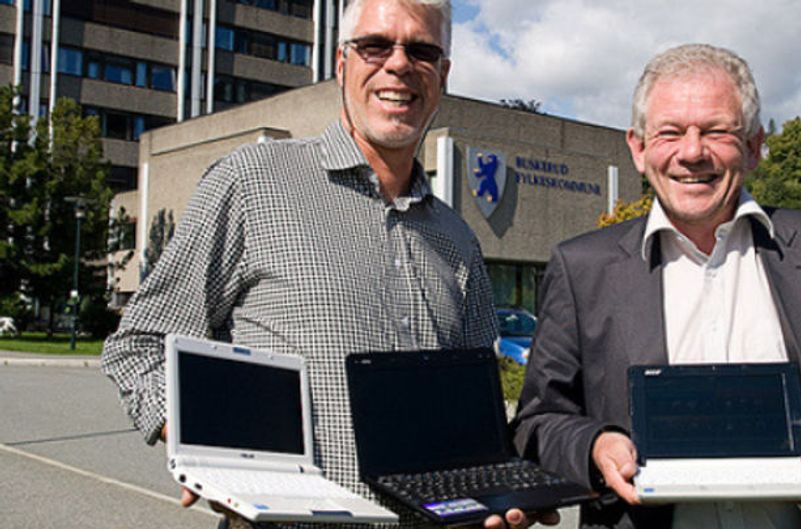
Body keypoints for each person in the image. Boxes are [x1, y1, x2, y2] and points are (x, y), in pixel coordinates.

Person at [102, 1, 552, 528]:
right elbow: (141, 345)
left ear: (443, 74)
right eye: (376, 45)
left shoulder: (457, 239)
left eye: (422, 50)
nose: (399, 64)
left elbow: (472, 410)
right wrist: (195, 438)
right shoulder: (251, 184)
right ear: (342, 63)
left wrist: (500, 484)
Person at [512, 43, 801, 529]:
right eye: (670, 132)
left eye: (715, 131)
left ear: (752, 147)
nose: (692, 153)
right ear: (639, 149)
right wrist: (595, 447)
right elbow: (536, 424)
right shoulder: (582, 267)